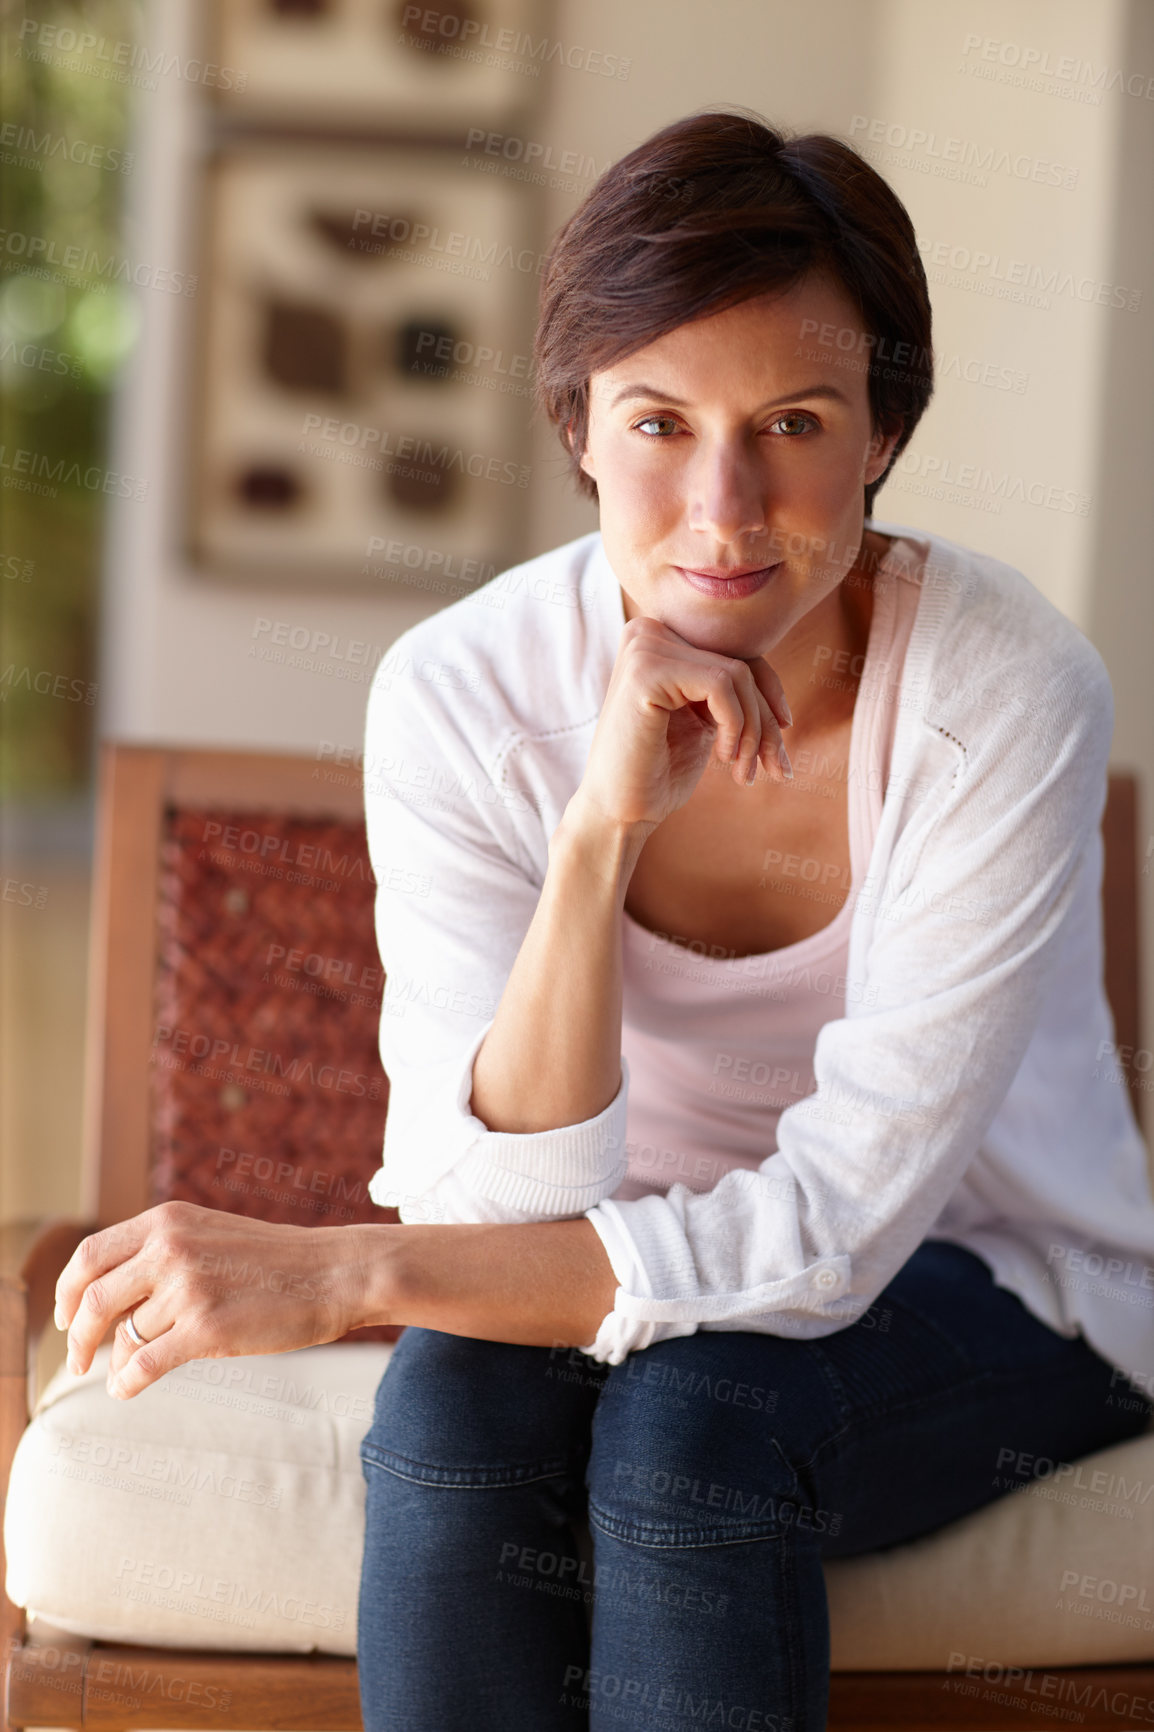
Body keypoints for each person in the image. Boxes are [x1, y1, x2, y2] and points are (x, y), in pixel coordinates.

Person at [55, 111, 1154, 1730]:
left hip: (986, 1273)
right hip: (588, 1256)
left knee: (698, 1426)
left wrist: (346, 1274)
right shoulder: (460, 694)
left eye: (792, 420)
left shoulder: (999, 691)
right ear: (577, 428)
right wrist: (597, 833)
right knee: (452, 1415)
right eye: (657, 423)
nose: (721, 508)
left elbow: (844, 1232)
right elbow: (484, 1190)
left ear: (882, 436)